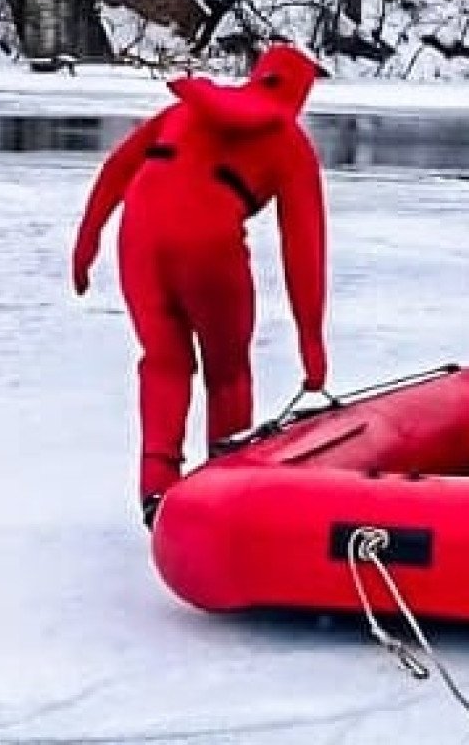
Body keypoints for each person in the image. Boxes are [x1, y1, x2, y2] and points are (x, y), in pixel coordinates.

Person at [71, 42, 330, 527]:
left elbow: (117, 169)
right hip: (209, 246)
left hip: (139, 236)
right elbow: (304, 249)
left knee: (164, 362)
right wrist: (312, 349)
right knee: (228, 374)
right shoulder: (289, 143)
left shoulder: (183, 111)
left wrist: (86, 244)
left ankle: (156, 489)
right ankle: (222, 494)